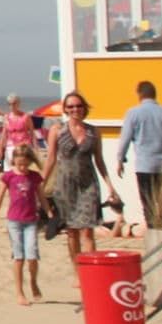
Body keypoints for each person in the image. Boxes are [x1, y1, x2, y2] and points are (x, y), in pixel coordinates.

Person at [42, 91, 119, 271]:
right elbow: (51, 159)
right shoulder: (57, 130)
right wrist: (41, 184)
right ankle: (78, 271)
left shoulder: (93, 132)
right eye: (70, 106)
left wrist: (110, 185)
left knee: (87, 230)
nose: (75, 109)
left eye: (78, 105)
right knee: (72, 232)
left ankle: (91, 270)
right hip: (65, 185)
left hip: (88, 184)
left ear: (84, 108)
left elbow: (99, 160)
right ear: (65, 109)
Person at [116, 80, 162, 233]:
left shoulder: (133, 113)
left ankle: (153, 232)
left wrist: (120, 160)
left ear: (139, 94)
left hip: (144, 165)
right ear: (155, 94)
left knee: (147, 204)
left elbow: (125, 139)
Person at [0, 145, 46, 305]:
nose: (22, 167)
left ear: (30, 162)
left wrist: (49, 212)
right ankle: (19, 292)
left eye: (25, 164)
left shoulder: (34, 177)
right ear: (13, 161)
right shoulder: (8, 176)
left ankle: (33, 282)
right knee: (18, 257)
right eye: (19, 164)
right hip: (14, 221)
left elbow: (41, 196)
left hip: (31, 221)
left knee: (32, 256)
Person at [0, 95, 35, 173]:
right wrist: (0, 148)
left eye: (14, 103)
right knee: (8, 170)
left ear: (18, 103)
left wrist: (35, 147)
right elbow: (4, 133)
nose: (12, 106)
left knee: (21, 169)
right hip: (10, 146)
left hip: (23, 147)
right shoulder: (6, 117)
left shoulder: (26, 117)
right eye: (9, 104)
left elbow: (32, 133)